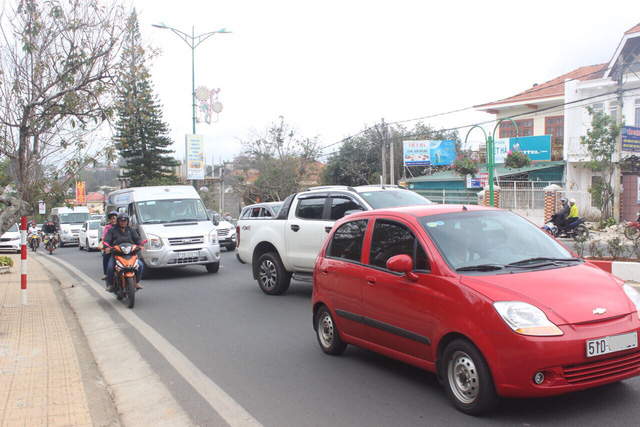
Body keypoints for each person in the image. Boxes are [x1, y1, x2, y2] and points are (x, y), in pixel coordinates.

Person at [104, 212, 144, 292]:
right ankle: (110, 284)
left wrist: (141, 245)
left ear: (127, 221)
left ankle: (137, 282)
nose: (123, 222)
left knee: (140, 265)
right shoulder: (112, 230)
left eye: (125, 221)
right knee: (110, 267)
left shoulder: (131, 229)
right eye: (121, 221)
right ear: (118, 221)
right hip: (117, 253)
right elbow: (107, 239)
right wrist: (107, 247)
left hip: (131, 253)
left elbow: (137, 238)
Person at [101, 211, 118, 280]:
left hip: (121, 247)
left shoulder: (124, 227)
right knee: (106, 255)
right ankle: (105, 273)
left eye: (114, 218)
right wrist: (106, 246)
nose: (113, 220)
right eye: (111, 219)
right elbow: (105, 238)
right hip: (111, 247)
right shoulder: (108, 227)